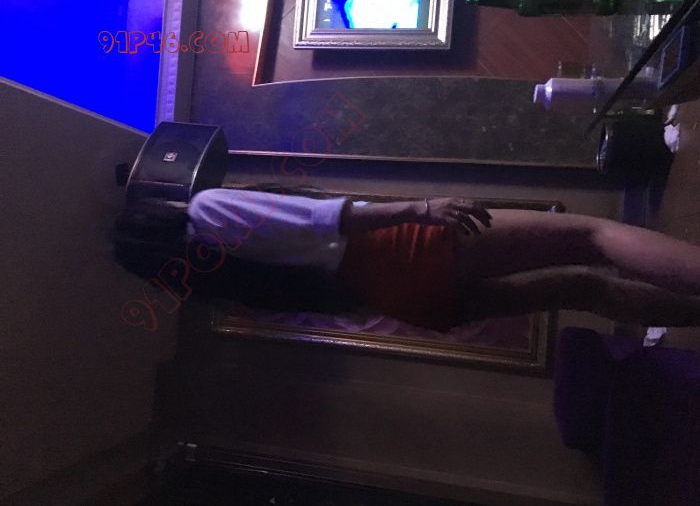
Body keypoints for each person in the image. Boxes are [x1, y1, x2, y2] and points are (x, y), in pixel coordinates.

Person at [114, 185, 700, 331]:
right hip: (403, 252)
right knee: (591, 236)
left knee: (583, 289)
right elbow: (326, 217)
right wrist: (421, 208)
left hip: (401, 299)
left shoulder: (214, 284)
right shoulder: (207, 210)